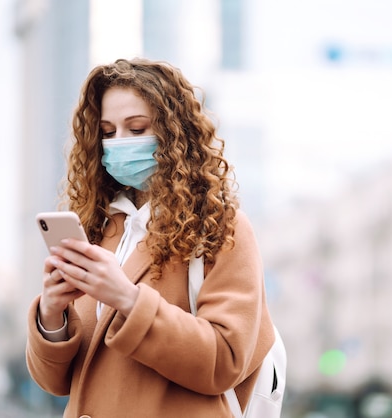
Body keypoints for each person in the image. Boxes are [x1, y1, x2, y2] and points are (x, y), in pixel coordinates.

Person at [26, 57, 275, 417]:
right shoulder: (99, 226)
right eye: (108, 132)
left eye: (137, 128)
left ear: (176, 134)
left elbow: (226, 360)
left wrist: (127, 298)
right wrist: (52, 314)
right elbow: (54, 382)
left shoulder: (220, 226)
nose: (119, 143)